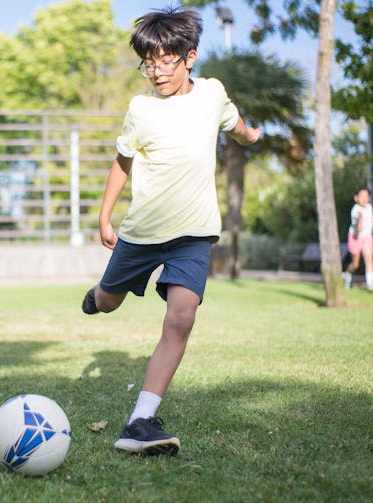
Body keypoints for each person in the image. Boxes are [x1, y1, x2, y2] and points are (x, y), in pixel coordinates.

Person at [81, 6, 260, 456]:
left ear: (190, 57)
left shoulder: (213, 94)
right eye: (148, 62)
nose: (155, 71)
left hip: (195, 233)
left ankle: (141, 419)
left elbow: (234, 125)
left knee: (181, 317)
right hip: (142, 233)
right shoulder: (141, 109)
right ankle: (102, 292)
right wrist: (105, 217)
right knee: (108, 301)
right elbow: (122, 162)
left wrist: (251, 136)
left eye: (165, 61)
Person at [343, 187, 373, 291]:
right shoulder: (355, 210)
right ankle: (348, 274)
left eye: (367, 196)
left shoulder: (369, 207)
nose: (365, 199)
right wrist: (360, 218)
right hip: (355, 237)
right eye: (362, 196)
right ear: (356, 198)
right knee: (355, 264)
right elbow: (358, 228)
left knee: (369, 260)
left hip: (367, 237)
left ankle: (370, 284)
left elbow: (370, 221)